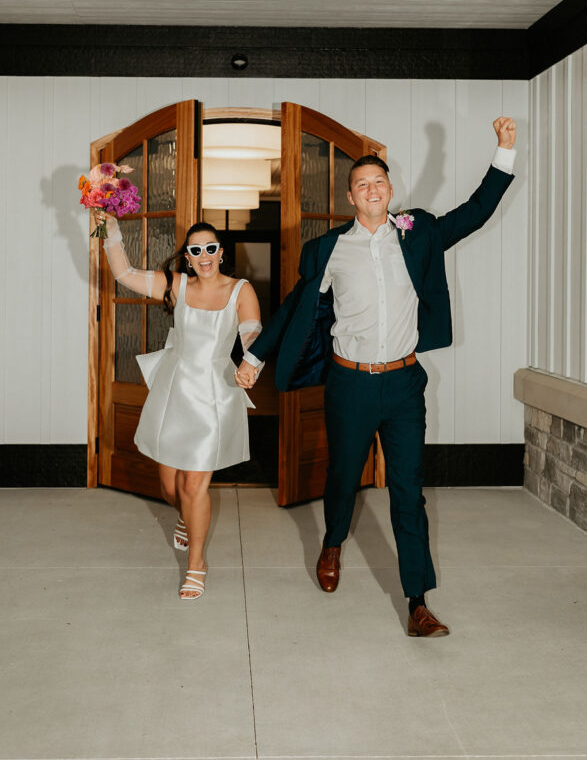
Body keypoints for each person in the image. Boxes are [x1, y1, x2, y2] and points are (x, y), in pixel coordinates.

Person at [235, 116, 517, 636]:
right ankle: (333, 542)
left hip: (405, 383)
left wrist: (504, 151)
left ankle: (418, 601)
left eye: (379, 182)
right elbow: (295, 308)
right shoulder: (327, 250)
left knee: (408, 490)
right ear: (350, 196)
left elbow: (476, 213)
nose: (372, 190)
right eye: (362, 184)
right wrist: (254, 358)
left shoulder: (420, 232)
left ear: (391, 190)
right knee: (343, 476)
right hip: (351, 384)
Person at [96, 211, 262, 600]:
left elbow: (252, 333)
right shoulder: (177, 285)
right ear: (187, 257)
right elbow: (124, 273)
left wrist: (250, 364)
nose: (204, 255)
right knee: (171, 486)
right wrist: (109, 227)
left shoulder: (241, 289)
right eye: (195, 249)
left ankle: (197, 564)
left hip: (214, 394)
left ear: (221, 252)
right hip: (174, 390)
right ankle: (185, 519)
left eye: (211, 248)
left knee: (194, 483)